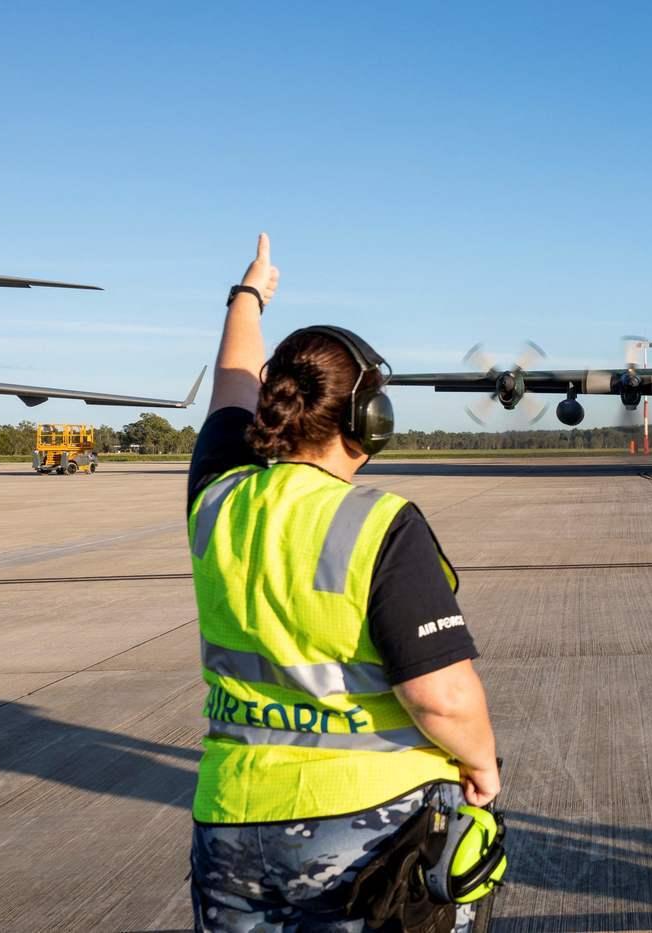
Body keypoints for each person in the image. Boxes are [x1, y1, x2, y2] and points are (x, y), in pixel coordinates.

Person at [187, 234, 499, 933]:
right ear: (368, 422)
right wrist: (483, 766)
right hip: (371, 839)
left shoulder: (215, 499)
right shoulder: (382, 524)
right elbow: (440, 695)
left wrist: (248, 296)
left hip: (231, 825)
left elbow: (231, 389)